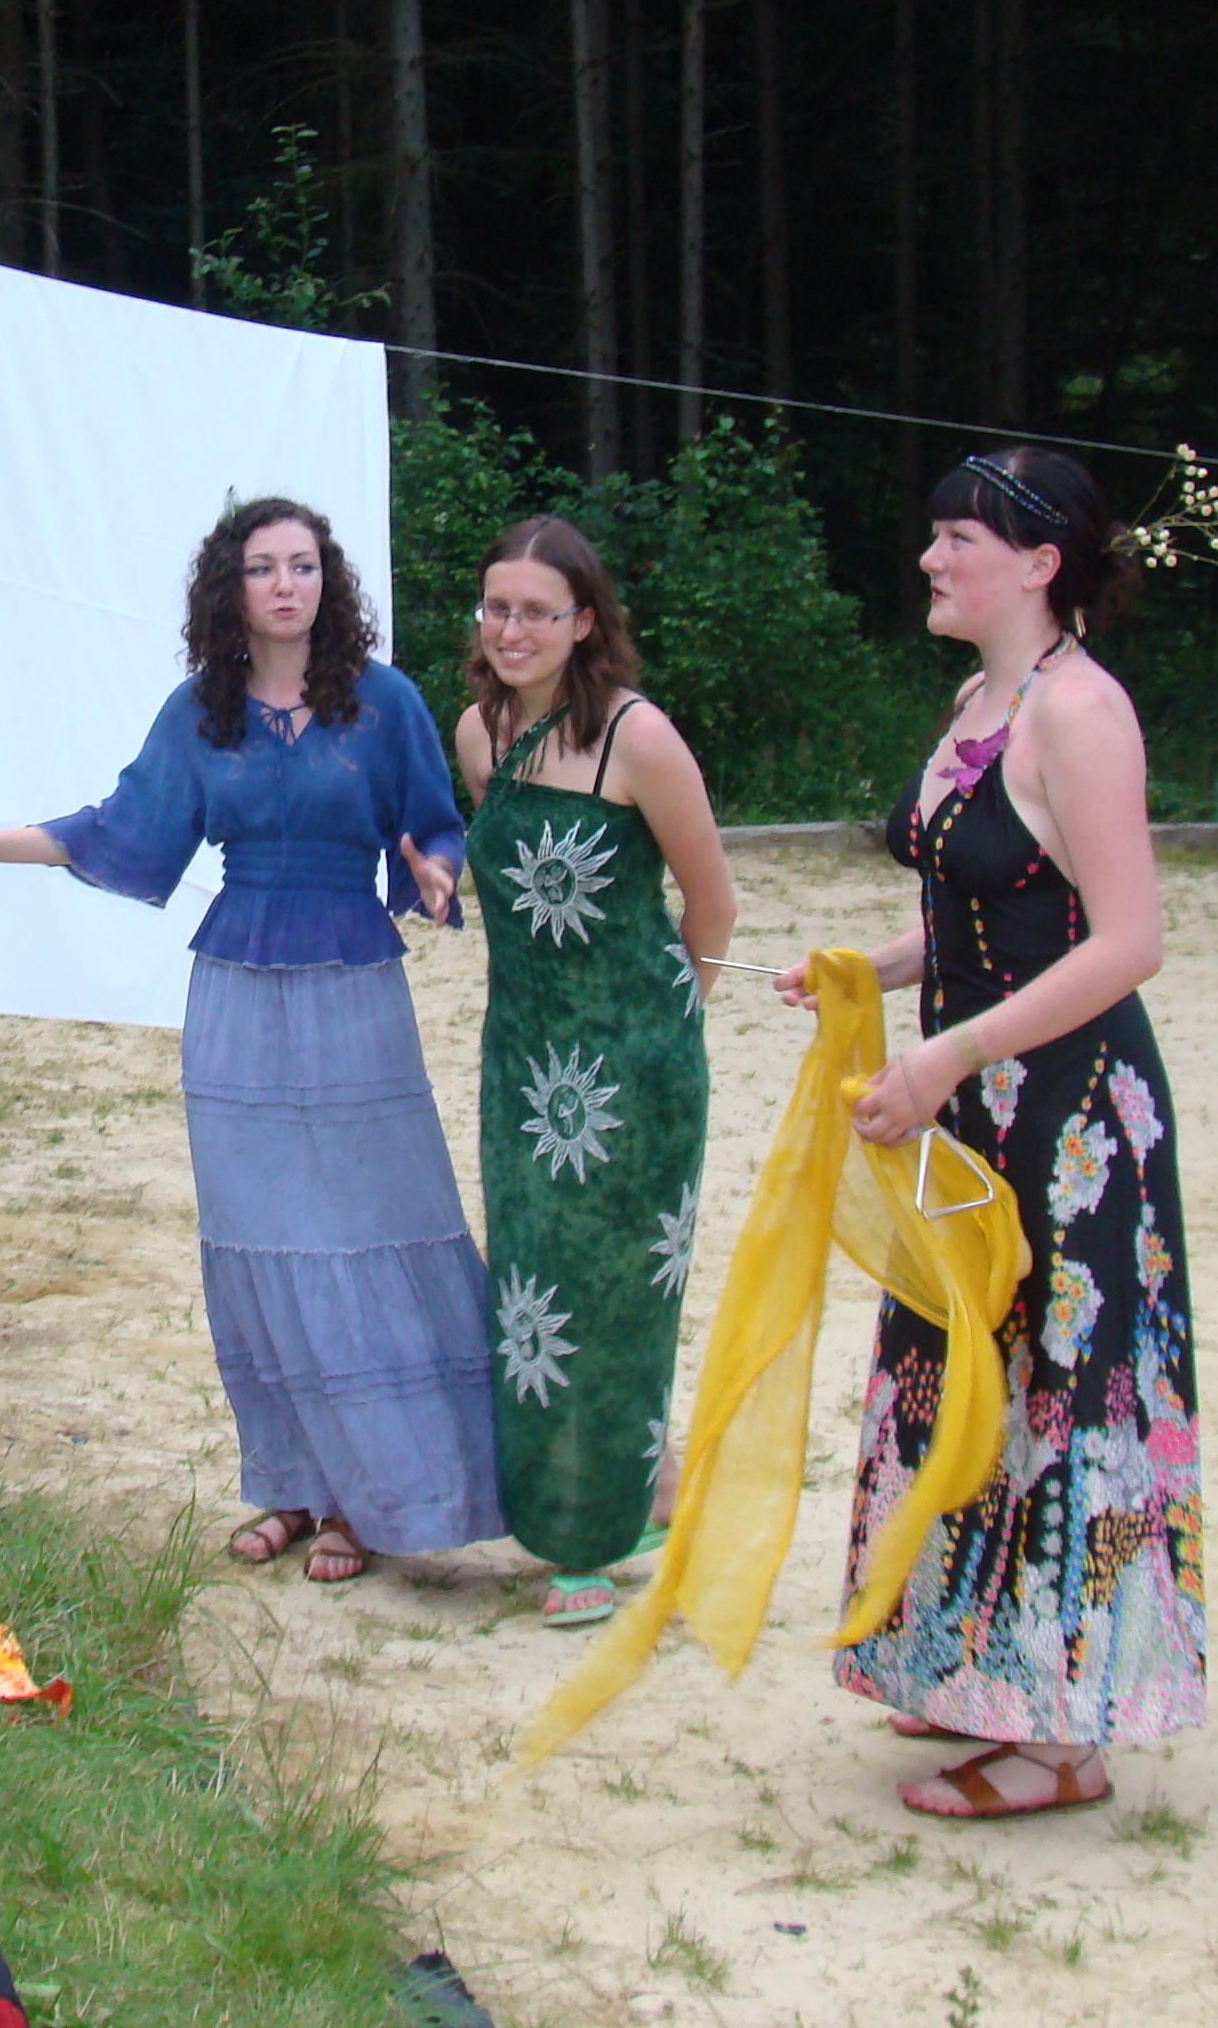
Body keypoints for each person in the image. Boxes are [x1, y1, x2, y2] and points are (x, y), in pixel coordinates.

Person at [0, 498, 500, 1583]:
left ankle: (372, 1499)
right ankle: (295, 1489)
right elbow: (118, 828)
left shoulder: (385, 702)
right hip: (235, 1002)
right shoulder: (201, 712)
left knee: (365, 1232)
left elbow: (436, 825)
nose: (286, 585)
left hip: (353, 990)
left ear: (328, 581)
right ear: (233, 587)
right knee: (258, 1241)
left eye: (303, 565)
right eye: (263, 567)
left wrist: (438, 874)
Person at [775, 445, 1202, 1818]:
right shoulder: (980, 699)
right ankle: (975, 1666)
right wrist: (873, 970)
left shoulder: (1082, 712)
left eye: (958, 538)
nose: (930, 559)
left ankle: (1064, 1740)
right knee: (973, 1379)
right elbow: (983, 913)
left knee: (1061, 1386)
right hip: (969, 1102)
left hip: (1068, 1116)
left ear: (1039, 564)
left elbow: (1125, 942)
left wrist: (949, 1050)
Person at [451, 516, 734, 1626]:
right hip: (522, 1061)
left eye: (538, 610)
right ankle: (643, 1486)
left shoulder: (638, 738)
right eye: (498, 607)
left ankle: (587, 1540)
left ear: (583, 621)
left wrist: (666, 1027)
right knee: (534, 1285)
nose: (512, 629)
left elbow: (711, 903)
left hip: (635, 1067)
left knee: (615, 1295)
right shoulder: (480, 732)